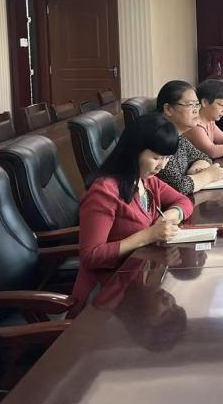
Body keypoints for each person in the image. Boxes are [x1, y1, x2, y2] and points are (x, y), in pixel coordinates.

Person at [75, 112, 194, 304]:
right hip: (106, 296)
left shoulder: (147, 181)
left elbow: (184, 201)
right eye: (156, 157)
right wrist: (148, 235)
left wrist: (171, 215)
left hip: (135, 283)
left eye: (166, 158)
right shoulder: (104, 191)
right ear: (134, 151)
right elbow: (91, 256)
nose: (162, 166)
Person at [155, 80, 223, 195]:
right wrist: (208, 175)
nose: (196, 110)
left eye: (197, 104)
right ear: (168, 109)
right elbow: (177, 188)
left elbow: (203, 157)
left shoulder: (178, 136)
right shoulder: (158, 138)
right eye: (190, 105)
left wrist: (196, 169)